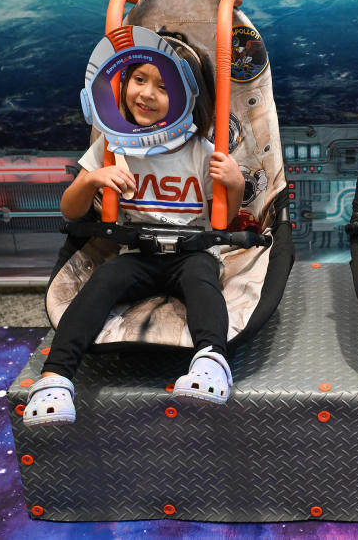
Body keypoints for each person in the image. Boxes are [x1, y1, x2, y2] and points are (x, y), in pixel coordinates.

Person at [23, 48, 245, 426]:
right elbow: (69, 210)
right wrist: (92, 179)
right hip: (138, 250)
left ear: (190, 98)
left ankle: (211, 359)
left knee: (201, 281)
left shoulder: (202, 151)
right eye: (139, 79)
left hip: (192, 250)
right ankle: (55, 377)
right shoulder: (112, 145)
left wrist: (235, 184)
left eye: (163, 87)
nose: (146, 94)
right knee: (102, 282)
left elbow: (225, 218)